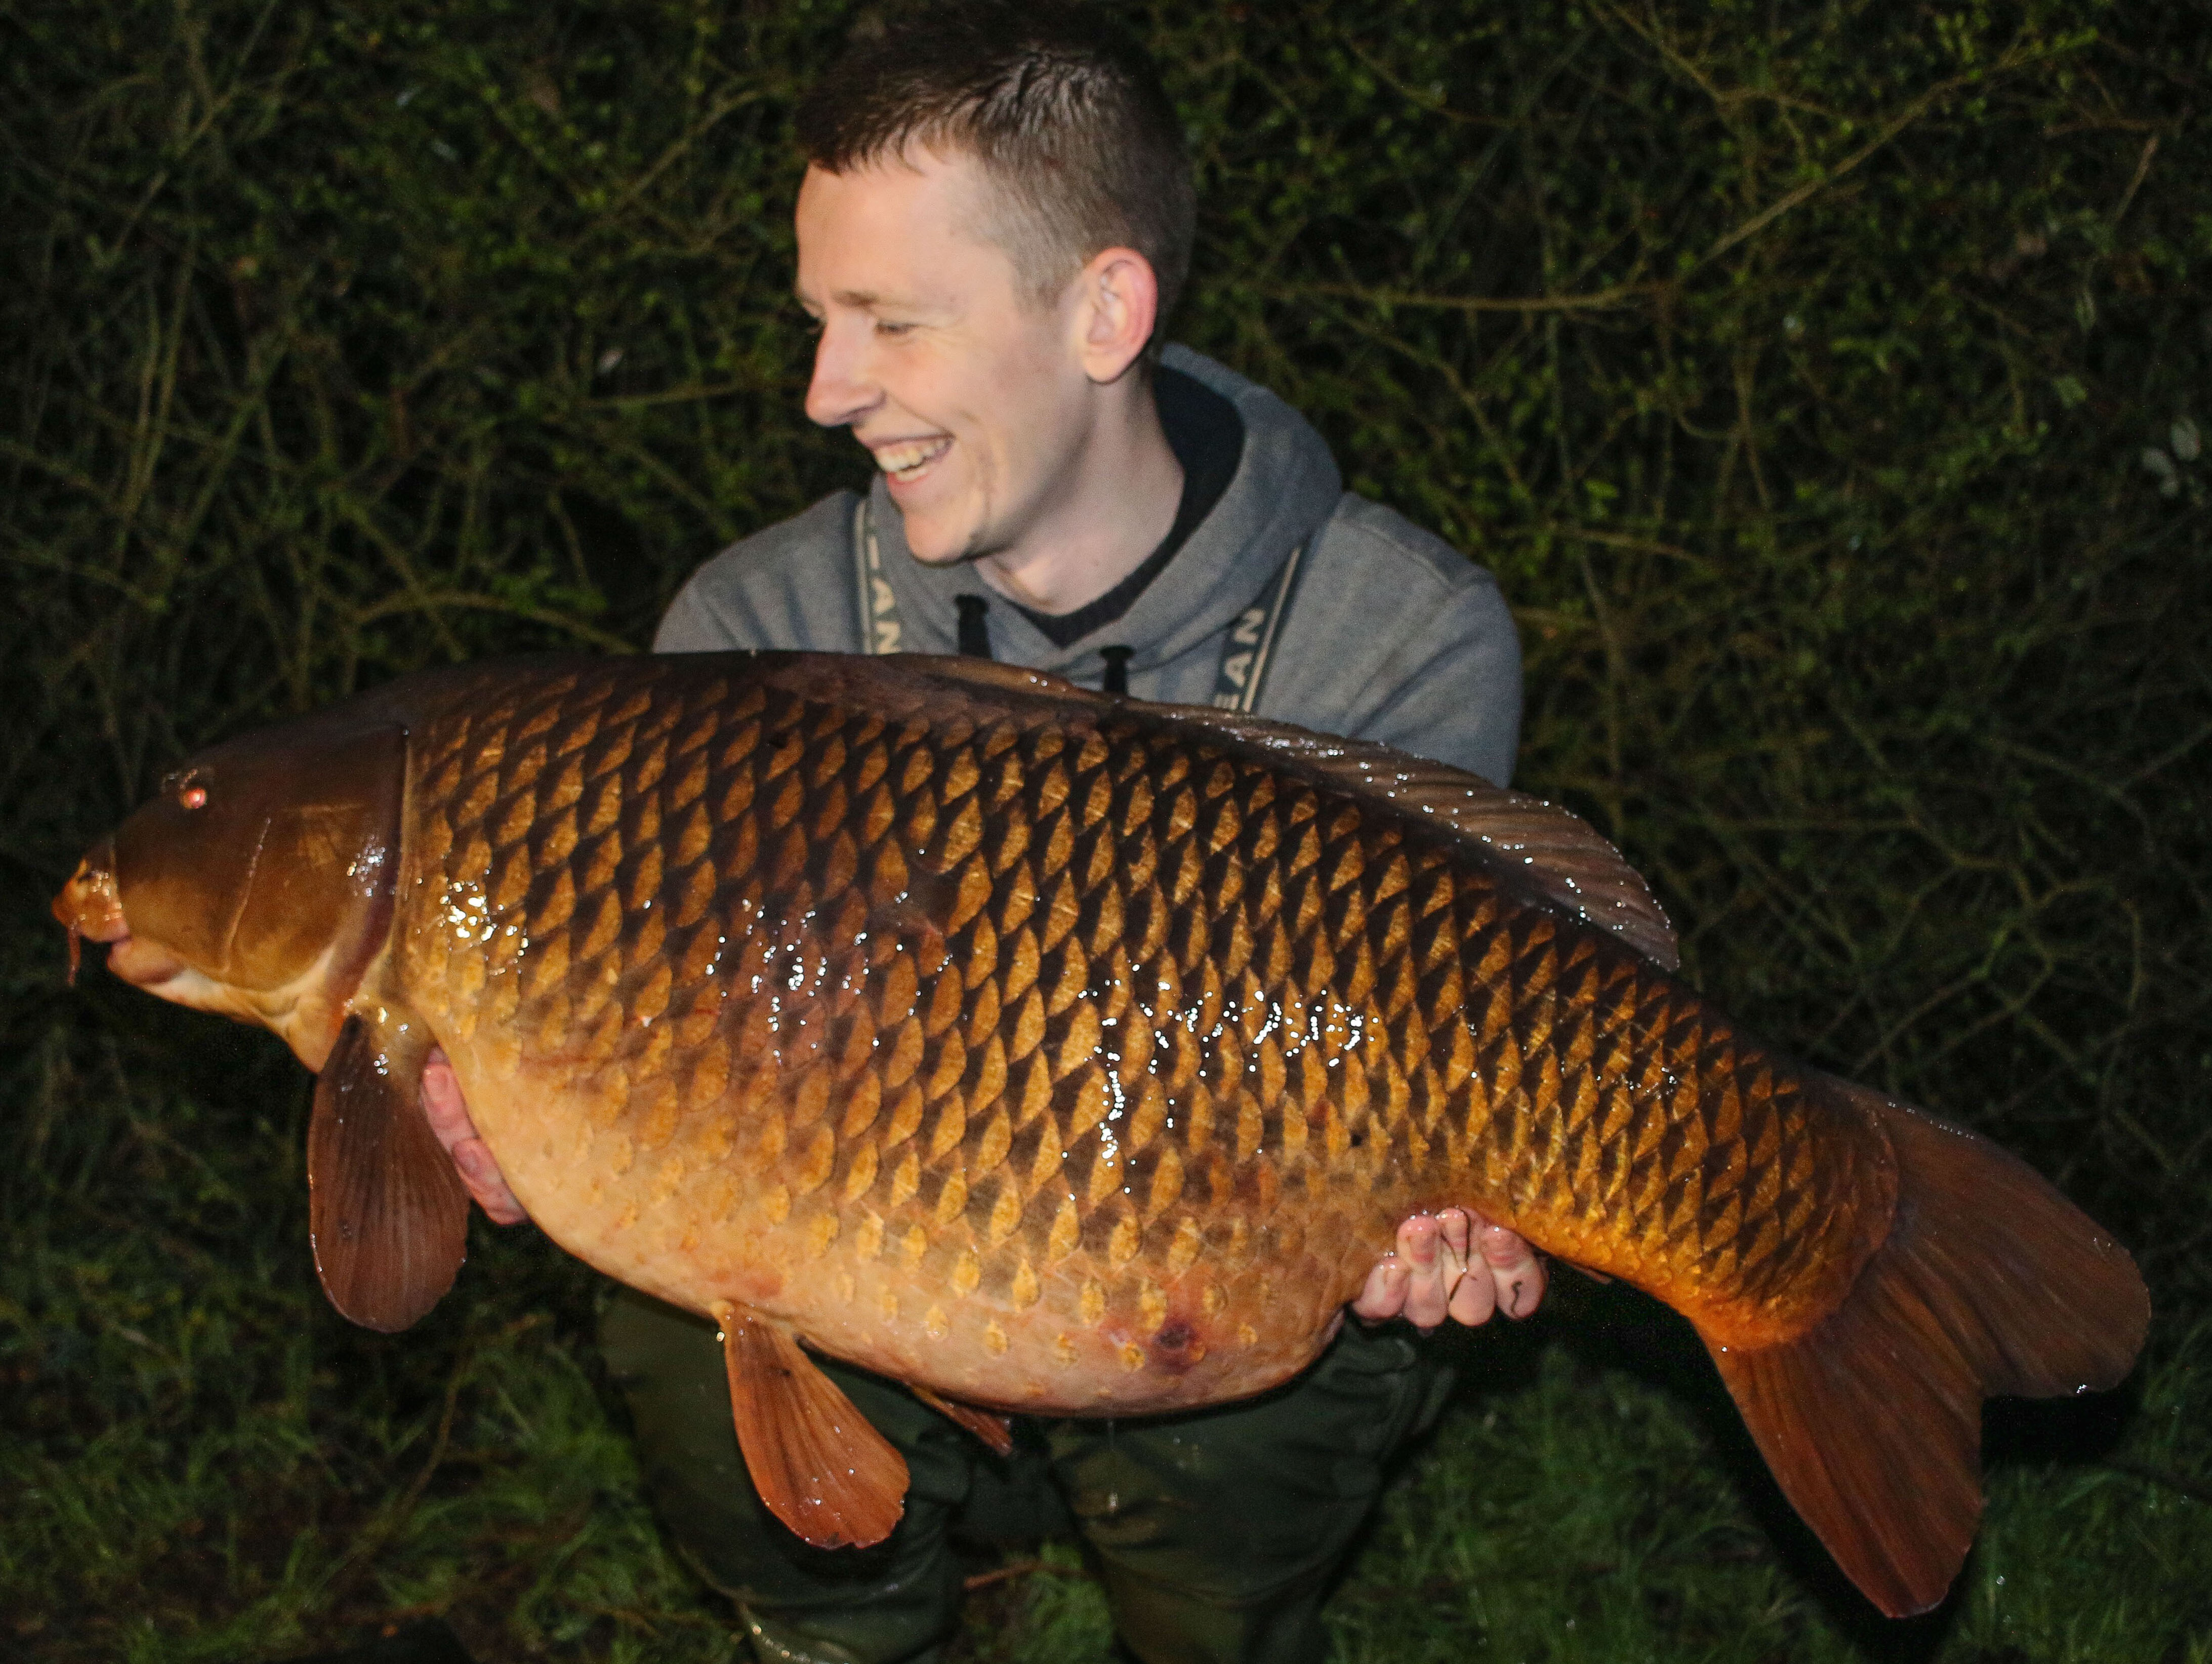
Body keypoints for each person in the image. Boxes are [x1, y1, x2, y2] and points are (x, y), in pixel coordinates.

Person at [421, 6, 1547, 1659]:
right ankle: (844, 1627)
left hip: (1212, 1301)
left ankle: (1212, 1626)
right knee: (674, 1327)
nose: (826, 391)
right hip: (869, 1269)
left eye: (891, 323)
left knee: (1259, 1444)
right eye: (819, 320)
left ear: (1103, 312)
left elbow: (1468, 1055)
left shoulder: (1393, 637)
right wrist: (538, 1103)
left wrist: (1457, 1226)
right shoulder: (754, 631)